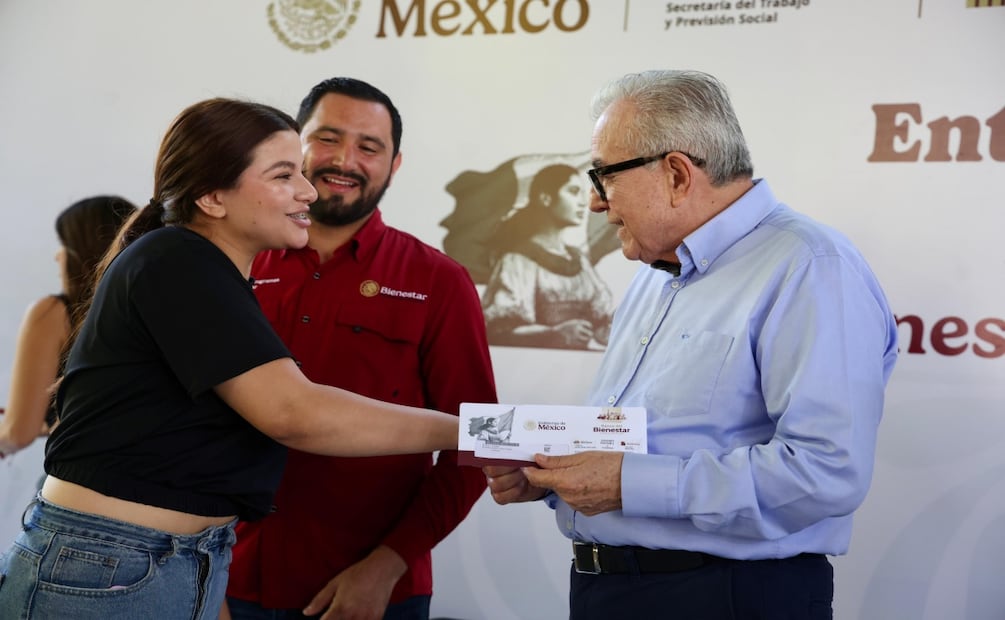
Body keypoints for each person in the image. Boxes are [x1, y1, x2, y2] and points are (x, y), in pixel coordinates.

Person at [0, 97, 463, 620]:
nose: (309, 190)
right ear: (213, 197)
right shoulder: (177, 261)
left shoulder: (205, 269)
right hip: (111, 566)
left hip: (160, 563)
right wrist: (474, 432)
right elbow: (295, 413)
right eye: (284, 174)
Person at [485, 69, 899, 619]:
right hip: (606, 589)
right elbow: (644, 442)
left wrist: (628, 484)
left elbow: (827, 472)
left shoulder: (810, 267)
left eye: (603, 175)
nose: (594, 203)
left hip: (725, 596)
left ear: (677, 174)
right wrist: (556, 475)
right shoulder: (654, 272)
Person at [224, 78, 497, 620]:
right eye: (326, 139)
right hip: (229, 578)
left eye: (369, 147)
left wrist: (386, 567)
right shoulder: (233, 264)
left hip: (373, 595)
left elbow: (475, 442)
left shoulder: (438, 282)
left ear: (394, 165)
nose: (344, 160)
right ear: (292, 146)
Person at [0, 195, 135, 460]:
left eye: (63, 245)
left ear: (83, 253)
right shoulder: (154, 311)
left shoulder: (52, 313)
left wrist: (9, 433)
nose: (56, 255)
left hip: (83, 484)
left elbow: (18, 433)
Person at [480, 163, 615, 350]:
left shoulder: (580, 261)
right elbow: (499, 329)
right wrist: (553, 335)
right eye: (573, 191)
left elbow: (603, 317)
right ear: (545, 198)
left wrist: (606, 330)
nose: (583, 202)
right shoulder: (517, 261)